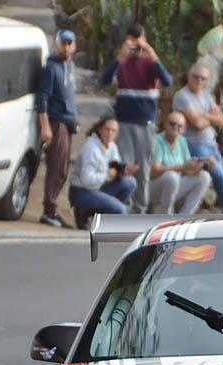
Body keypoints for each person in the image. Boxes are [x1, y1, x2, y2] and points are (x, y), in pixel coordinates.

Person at [100, 23, 172, 214]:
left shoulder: (150, 64)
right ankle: (124, 208)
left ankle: (140, 210)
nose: (136, 48)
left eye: (139, 43)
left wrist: (152, 54)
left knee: (143, 170)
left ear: (145, 41)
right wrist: (119, 58)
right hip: (123, 124)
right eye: (132, 42)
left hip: (145, 125)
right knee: (124, 167)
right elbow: (104, 80)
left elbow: (167, 81)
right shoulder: (122, 63)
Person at [172, 63, 223, 214]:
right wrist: (212, 118)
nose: (199, 81)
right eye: (196, 77)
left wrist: (205, 115)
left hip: (211, 143)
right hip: (195, 144)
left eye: (203, 78)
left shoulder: (207, 96)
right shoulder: (182, 96)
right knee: (219, 174)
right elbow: (197, 124)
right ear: (189, 76)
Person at [35, 30, 79, 228]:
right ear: (57, 44)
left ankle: (52, 209)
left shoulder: (70, 67)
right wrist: (45, 126)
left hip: (68, 124)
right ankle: (49, 210)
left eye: (70, 43)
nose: (67, 47)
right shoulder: (51, 68)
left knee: (63, 169)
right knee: (56, 168)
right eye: (64, 43)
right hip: (56, 122)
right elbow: (42, 98)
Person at [69, 116, 138, 227]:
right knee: (121, 209)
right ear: (100, 129)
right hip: (82, 191)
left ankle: (98, 215)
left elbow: (114, 167)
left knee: (130, 182)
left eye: (113, 131)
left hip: (99, 187)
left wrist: (123, 171)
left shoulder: (112, 146)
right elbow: (87, 180)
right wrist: (107, 175)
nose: (110, 133)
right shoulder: (91, 148)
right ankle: (84, 212)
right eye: (107, 129)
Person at [150, 111, 210, 215]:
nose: (175, 128)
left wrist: (201, 164)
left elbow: (187, 170)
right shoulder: (157, 140)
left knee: (204, 177)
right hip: (154, 188)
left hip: (173, 187)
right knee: (172, 177)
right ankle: (166, 216)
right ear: (165, 124)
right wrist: (182, 167)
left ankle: (185, 216)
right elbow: (154, 171)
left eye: (180, 126)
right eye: (172, 124)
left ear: (184, 129)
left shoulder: (182, 141)